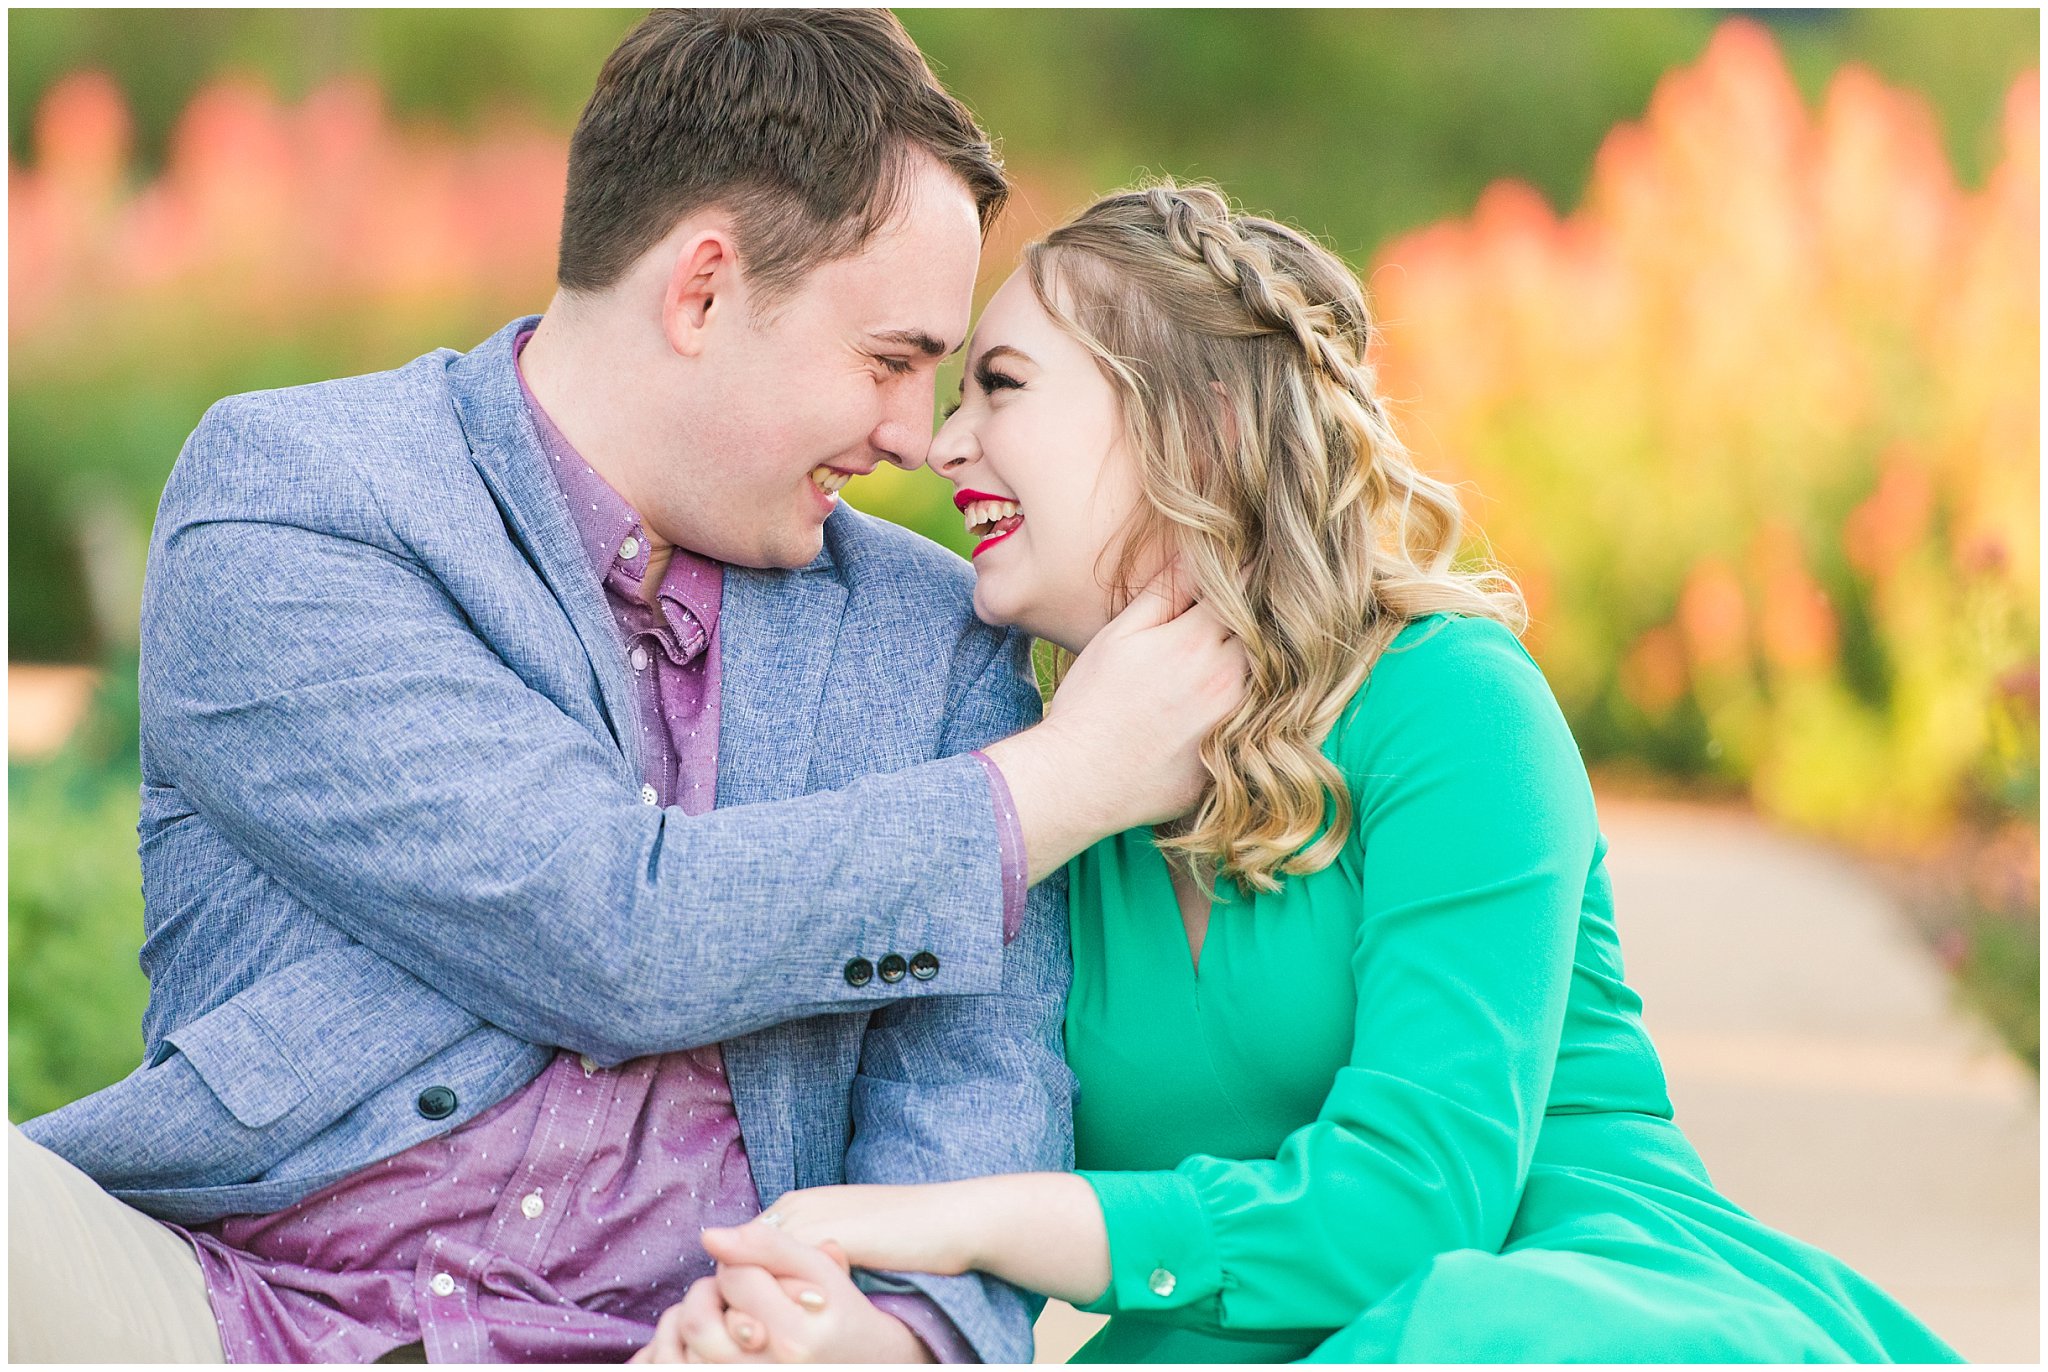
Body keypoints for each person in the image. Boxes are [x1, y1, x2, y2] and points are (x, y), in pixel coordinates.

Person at [7, 15, 1248, 1365]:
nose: (917, 435)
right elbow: (603, 925)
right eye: (892, 360)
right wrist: (1062, 783)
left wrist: (886, 1343)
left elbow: (976, 1102)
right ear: (703, 290)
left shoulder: (930, 636)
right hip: (239, 1314)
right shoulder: (303, 506)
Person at [649, 182, 1966, 1364]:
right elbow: (946, 1124)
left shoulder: (1450, 706)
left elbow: (1417, 1201)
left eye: (1001, 385)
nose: (942, 446)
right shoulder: (1045, 786)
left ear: (1201, 426)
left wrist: (963, 1222)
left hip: (1556, 1308)